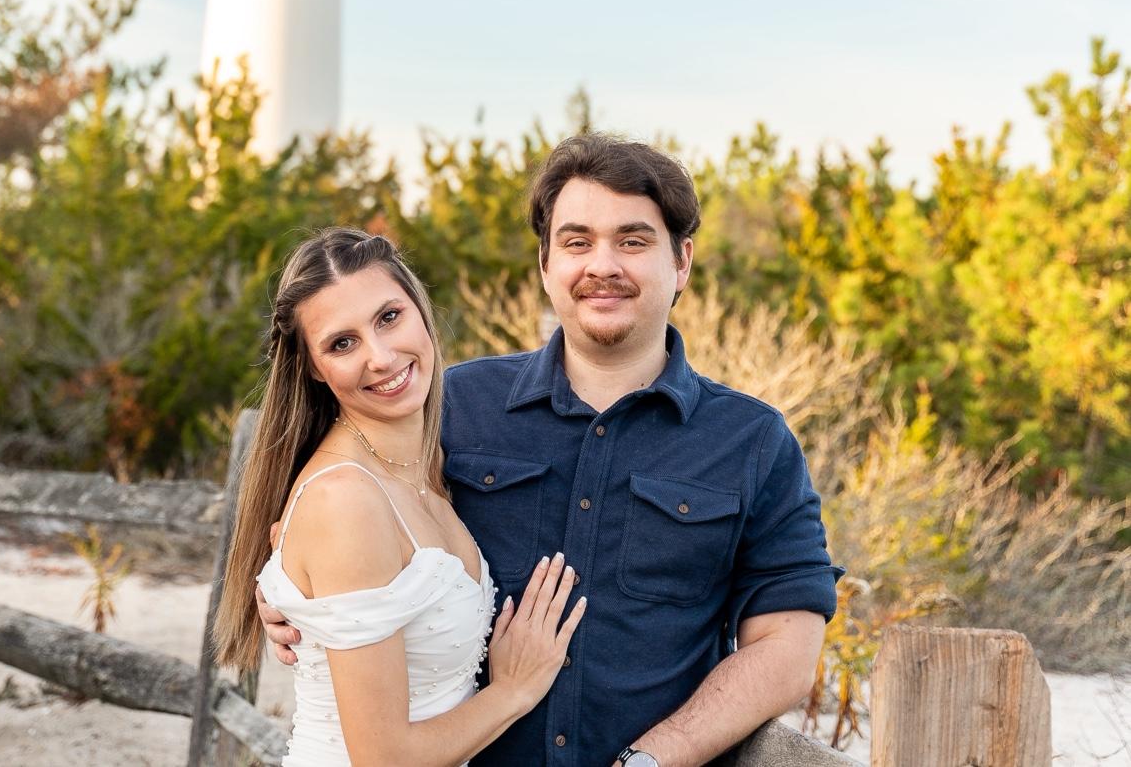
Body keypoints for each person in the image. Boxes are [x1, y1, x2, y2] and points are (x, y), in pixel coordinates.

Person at [259, 135, 842, 767]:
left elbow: (788, 646)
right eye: (576, 242)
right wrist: (300, 608)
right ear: (545, 264)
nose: (602, 265)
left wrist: (650, 760)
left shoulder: (753, 442)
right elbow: (339, 525)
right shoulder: (446, 406)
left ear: (681, 262)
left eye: (633, 240)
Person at [214, 227, 587, 766]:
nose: (382, 357)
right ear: (313, 367)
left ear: (420, 308)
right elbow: (384, 758)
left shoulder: (426, 465)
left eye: (389, 317)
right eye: (342, 343)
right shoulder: (345, 499)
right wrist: (514, 691)